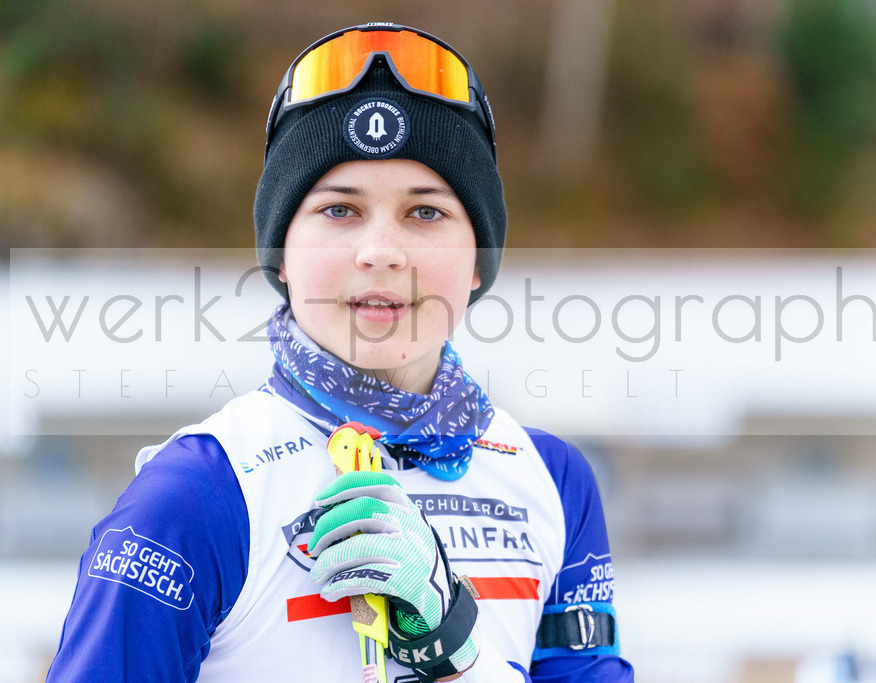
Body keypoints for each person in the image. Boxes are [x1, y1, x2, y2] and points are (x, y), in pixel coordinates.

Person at [48, 22, 634, 682]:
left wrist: (453, 652)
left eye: (426, 213)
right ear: (281, 255)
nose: (380, 251)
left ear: (479, 260)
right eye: (339, 211)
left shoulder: (553, 480)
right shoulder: (194, 496)